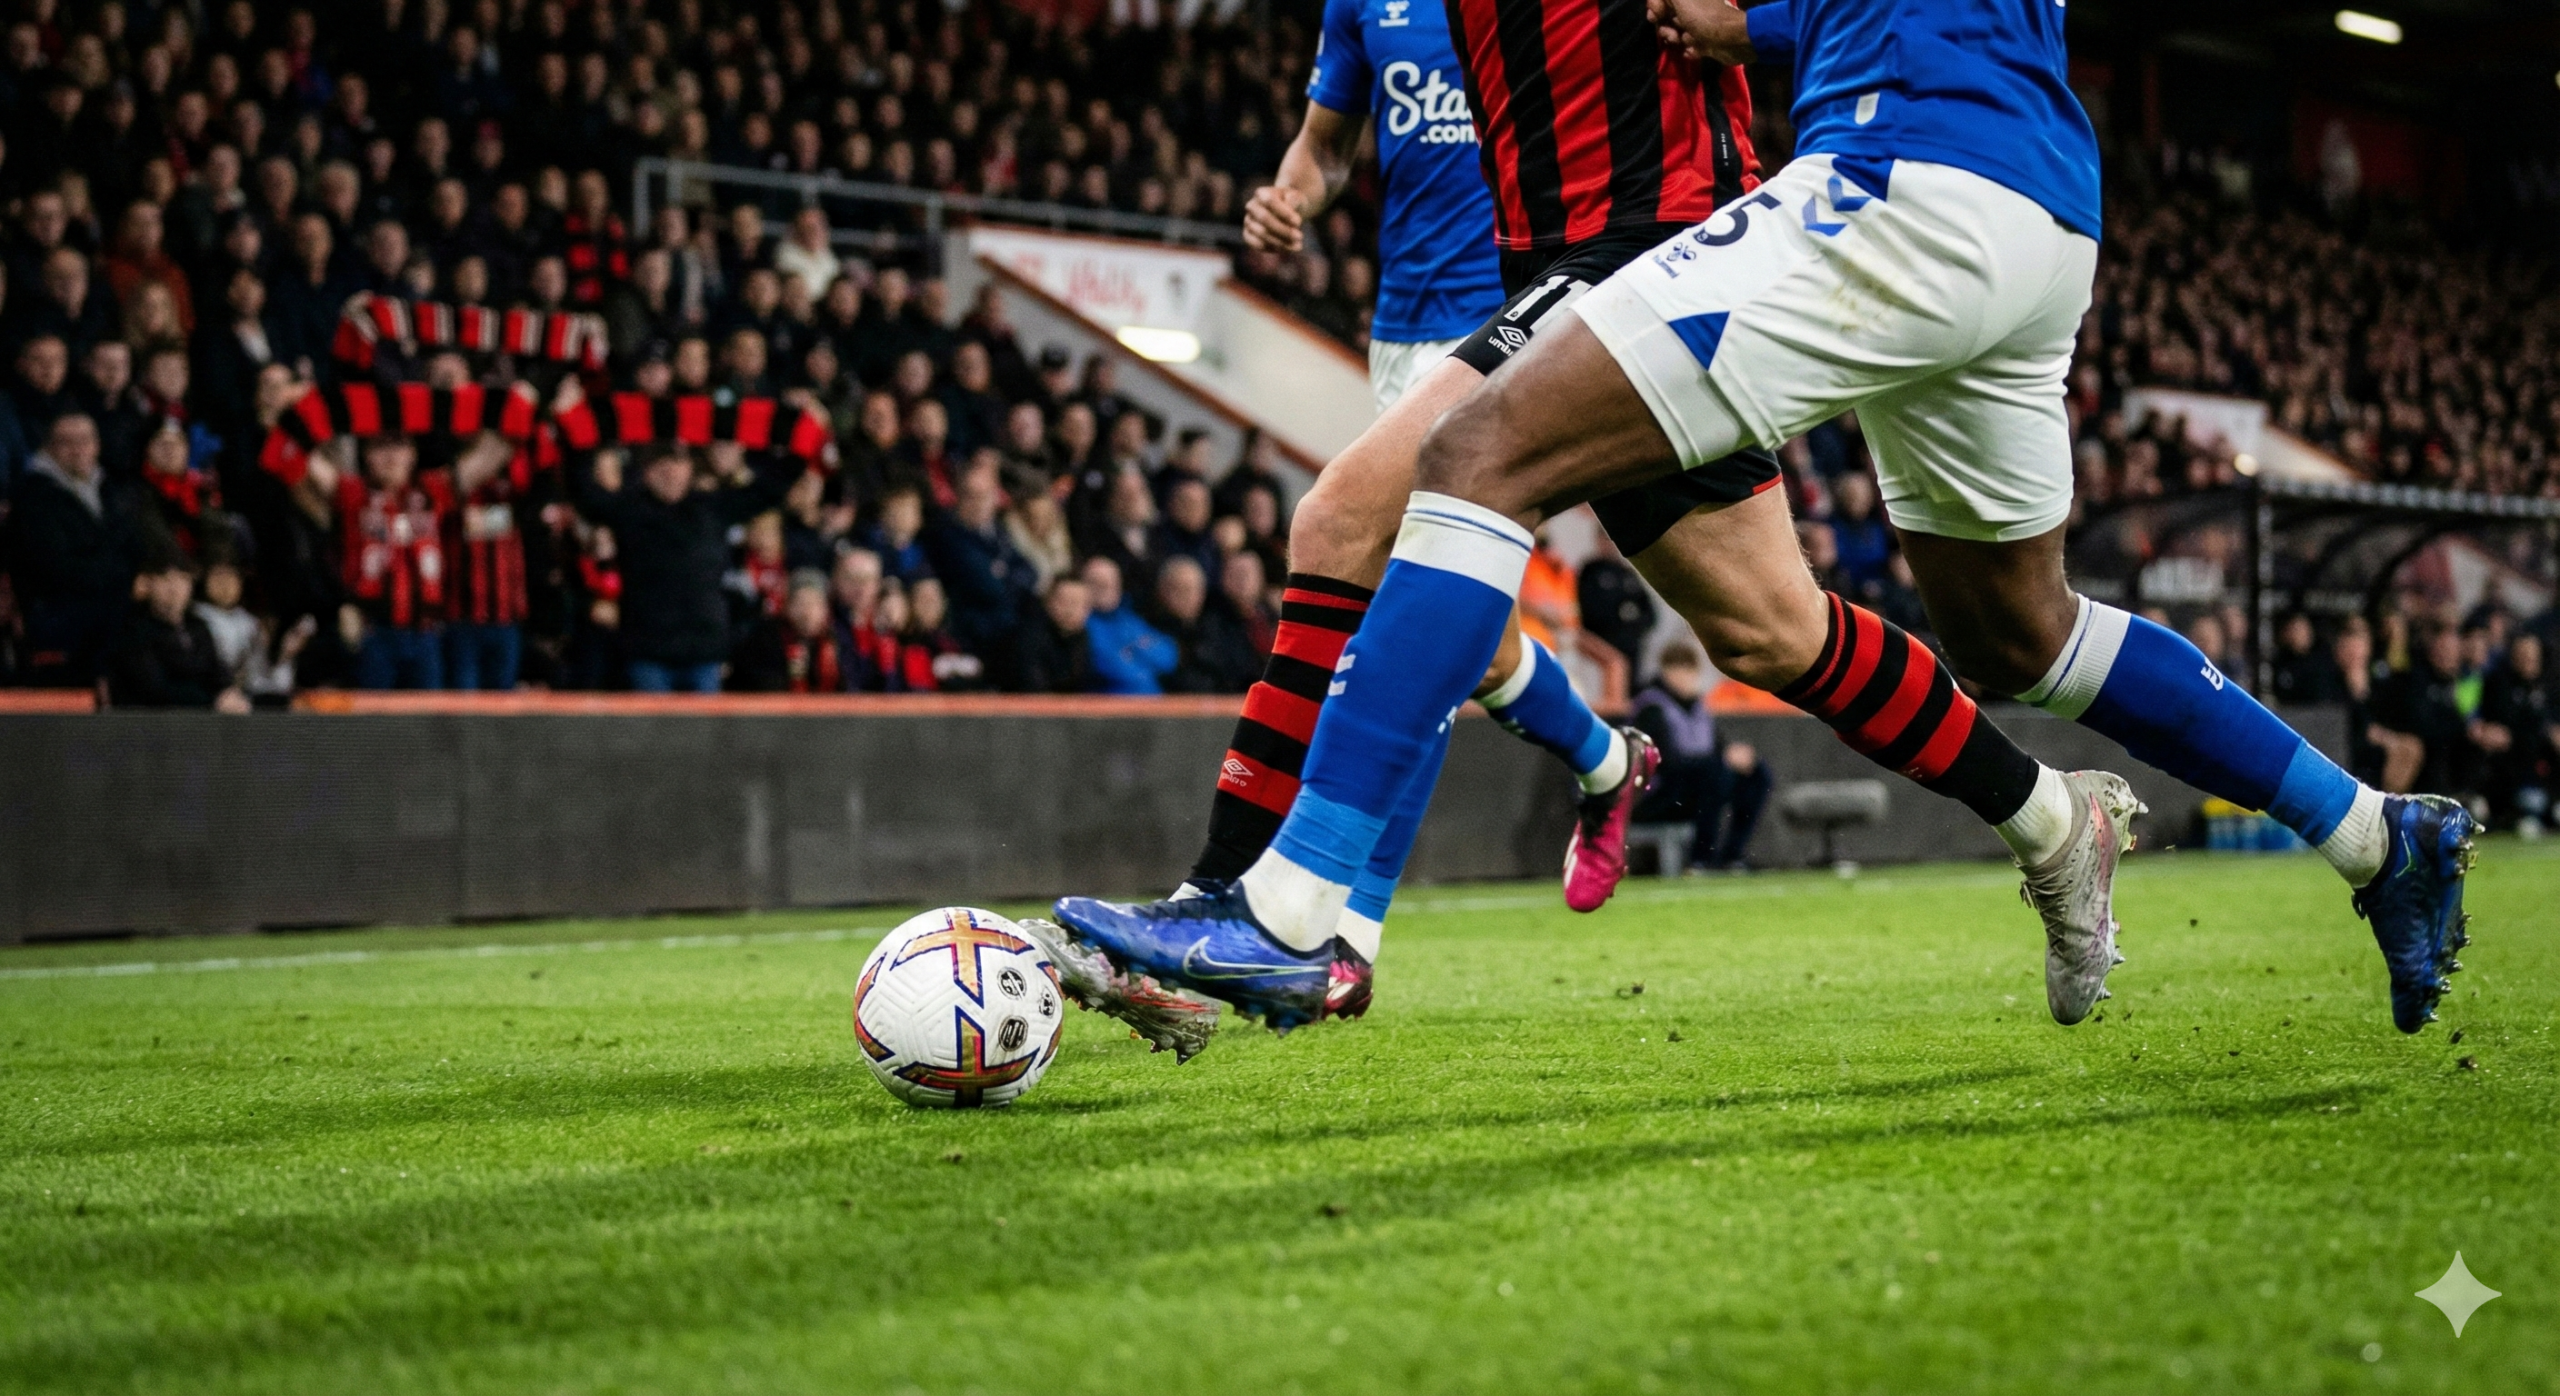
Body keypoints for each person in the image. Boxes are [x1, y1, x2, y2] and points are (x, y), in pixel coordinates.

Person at [1056, 0, 2471, 1039]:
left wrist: (1762, 21)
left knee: (1454, 465)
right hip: (2036, 204)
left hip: (1858, 187)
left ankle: (1286, 914)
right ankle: (2348, 834)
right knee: (1958, 629)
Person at [572, 439, 801, 694]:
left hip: (703, 651)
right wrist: (580, 439)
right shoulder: (630, 510)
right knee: (654, 732)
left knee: (702, 733)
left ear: (690, 468)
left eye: (678, 462)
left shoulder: (711, 507)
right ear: (646, 472)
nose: (670, 471)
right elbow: (584, 493)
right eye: (661, 463)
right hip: (648, 650)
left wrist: (800, 443)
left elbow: (770, 489)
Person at [4, 413, 141, 685]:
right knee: (125, 621)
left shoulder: (107, 490)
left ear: (97, 445)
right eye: (67, 442)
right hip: (53, 611)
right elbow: (59, 571)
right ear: (49, 448)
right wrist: (126, 580)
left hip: (106, 598)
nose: (78, 449)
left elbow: (132, 546)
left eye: (85, 440)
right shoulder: (35, 499)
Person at [1629, 642, 1770, 871]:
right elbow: (1665, 763)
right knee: (1714, 773)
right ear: (1666, 671)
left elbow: (1717, 749)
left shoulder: (1698, 708)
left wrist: (1735, 756)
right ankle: (1701, 859)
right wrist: (1719, 761)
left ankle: (1732, 855)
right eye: (1680, 670)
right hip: (1657, 795)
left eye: (1691, 671)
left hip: (1697, 787)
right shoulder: (1651, 708)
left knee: (1756, 774)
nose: (1687, 678)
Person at [108, 554, 250, 711]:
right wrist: (212, 701)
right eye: (166, 579)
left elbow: (217, 671)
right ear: (150, 583)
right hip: (151, 723)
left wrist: (227, 692)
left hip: (202, 721)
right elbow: (153, 687)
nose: (174, 588)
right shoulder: (134, 630)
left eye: (182, 579)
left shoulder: (198, 627)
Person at [731, 568, 848, 693]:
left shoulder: (837, 638)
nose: (807, 612)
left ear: (826, 609)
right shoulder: (766, 638)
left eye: (814, 604)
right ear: (787, 607)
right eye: (800, 604)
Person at [1080, 554, 1178, 696]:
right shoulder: (1083, 624)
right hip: (1109, 707)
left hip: (1152, 705)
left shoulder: (1129, 619)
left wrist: (1130, 651)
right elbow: (1110, 664)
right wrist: (1141, 649)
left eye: (1111, 583)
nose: (1106, 588)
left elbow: (1169, 656)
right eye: (1097, 583)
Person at [1006, 572, 1096, 694]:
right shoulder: (1029, 638)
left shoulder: (1081, 637)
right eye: (1064, 602)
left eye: (1077, 603)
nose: (1070, 611)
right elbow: (1033, 690)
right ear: (1048, 601)